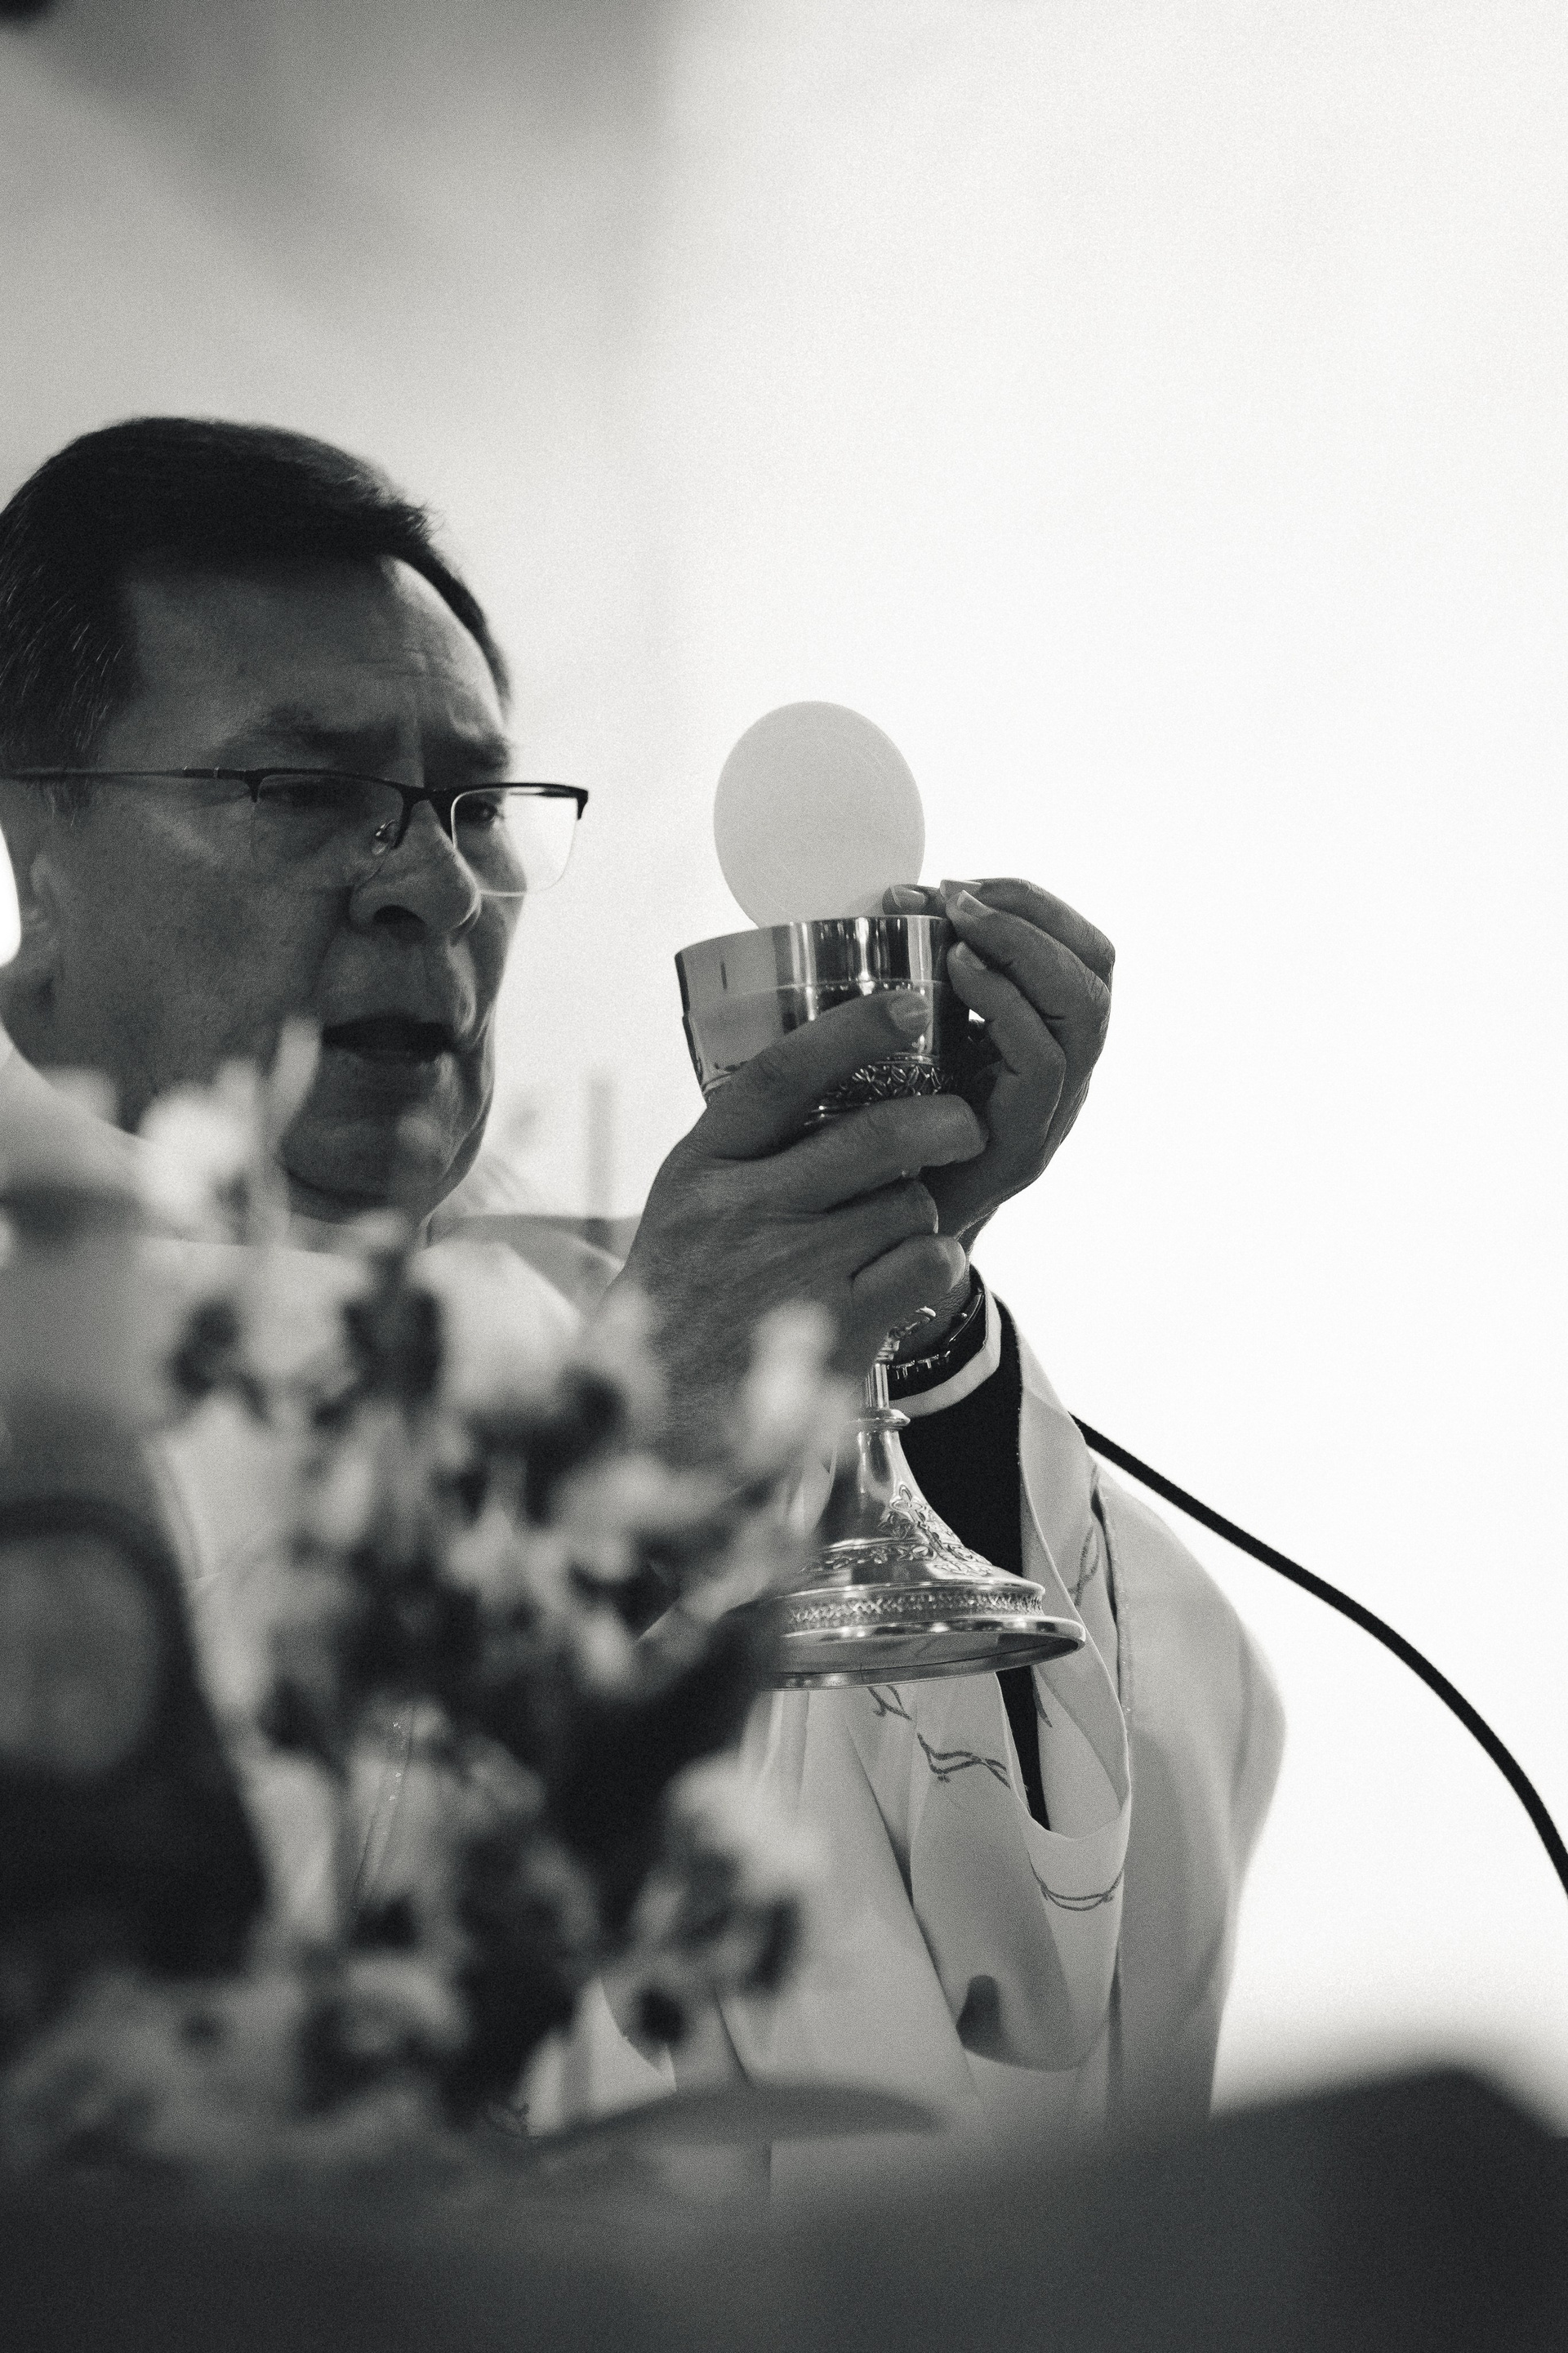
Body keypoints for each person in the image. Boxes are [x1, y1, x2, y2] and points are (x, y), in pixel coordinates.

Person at [0, 419, 1283, 2183]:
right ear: (37, 836)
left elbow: (1069, 1956)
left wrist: (915, 1345)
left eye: (476, 806)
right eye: (300, 791)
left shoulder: (604, 1289)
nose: (436, 883)